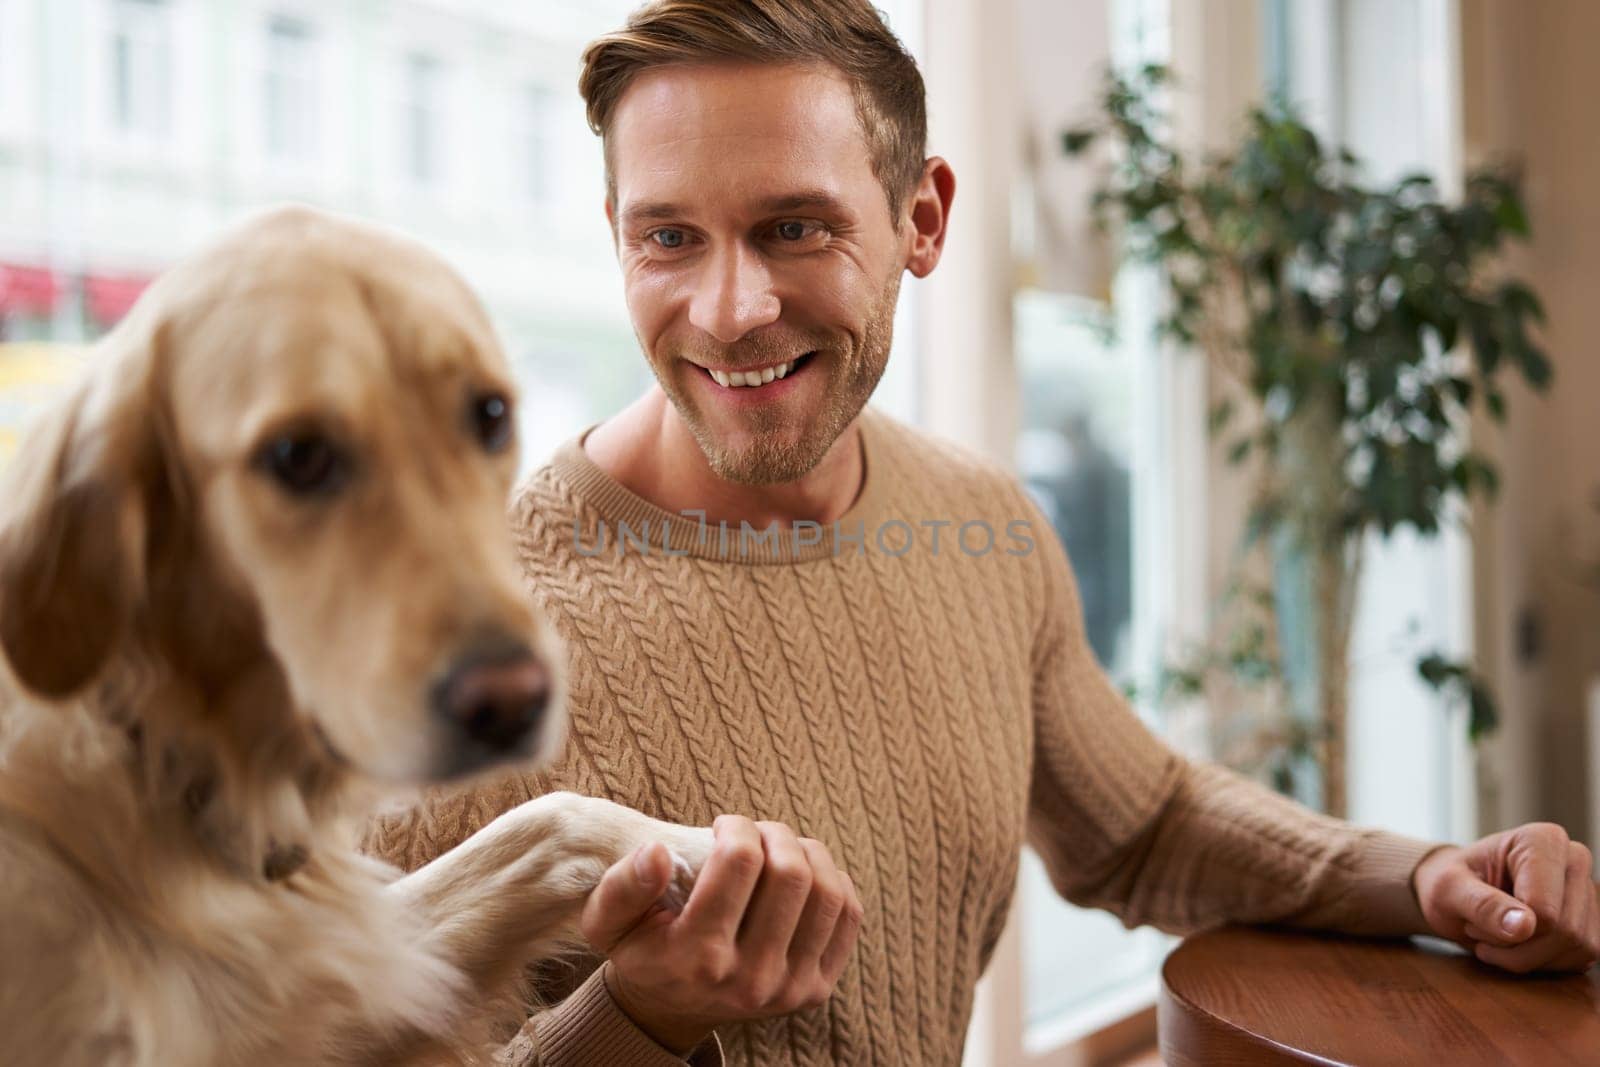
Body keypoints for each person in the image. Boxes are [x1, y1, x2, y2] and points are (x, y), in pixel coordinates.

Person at [363, 2, 1600, 1064]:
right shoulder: (459, 645)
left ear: (922, 218)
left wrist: (1422, 876)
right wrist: (640, 1014)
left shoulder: (982, 522)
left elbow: (1146, 823)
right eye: (668, 236)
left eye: (795, 226)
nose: (730, 309)